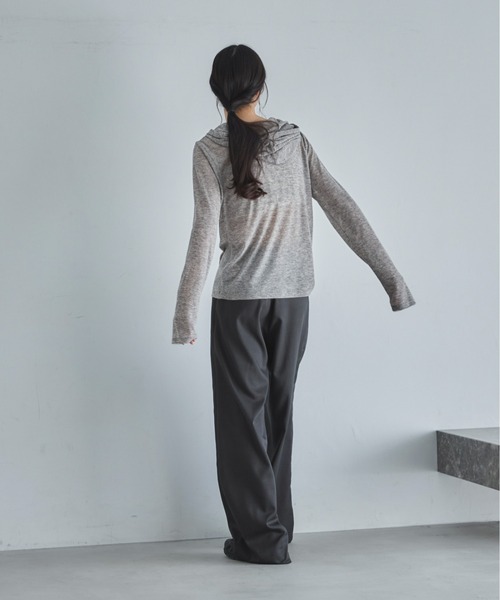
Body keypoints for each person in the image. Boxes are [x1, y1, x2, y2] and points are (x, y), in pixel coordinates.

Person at [172, 43, 416, 565]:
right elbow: (342, 206)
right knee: (276, 414)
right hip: (292, 303)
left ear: (216, 91)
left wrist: (184, 314)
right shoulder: (292, 140)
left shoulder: (208, 149)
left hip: (238, 305)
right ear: (261, 87)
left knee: (242, 423)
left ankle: (260, 541)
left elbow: (202, 234)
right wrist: (392, 280)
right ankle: (275, 529)